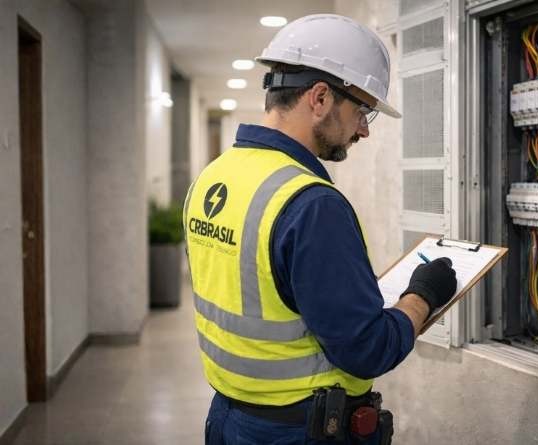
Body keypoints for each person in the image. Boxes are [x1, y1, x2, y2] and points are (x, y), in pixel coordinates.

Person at [183, 14, 458, 445]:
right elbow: (368, 349)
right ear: (320, 98)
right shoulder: (311, 204)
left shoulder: (213, 176)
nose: (364, 129)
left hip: (229, 419)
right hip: (299, 431)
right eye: (362, 110)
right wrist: (423, 294)